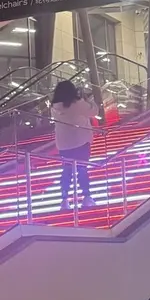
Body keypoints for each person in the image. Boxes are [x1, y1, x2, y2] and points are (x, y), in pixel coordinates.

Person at [51, 80, 99, 211]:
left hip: (63, 144)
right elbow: (94, 111)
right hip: (81, 141)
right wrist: (87, 99)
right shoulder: (77, 103)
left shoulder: (54, 106)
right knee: (82, 169)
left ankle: (64, 199)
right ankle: (86, 197)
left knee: (67, 170)